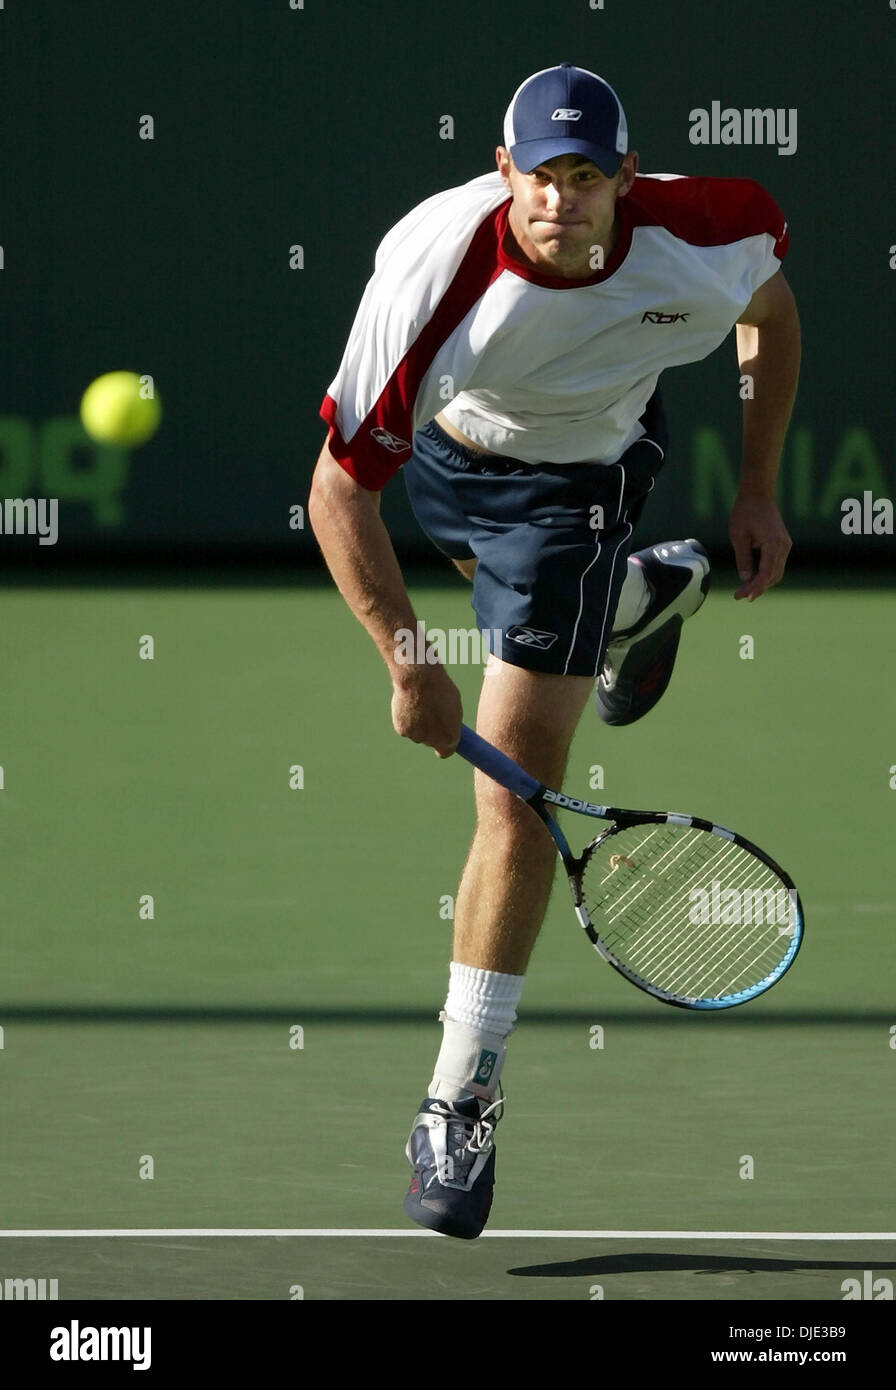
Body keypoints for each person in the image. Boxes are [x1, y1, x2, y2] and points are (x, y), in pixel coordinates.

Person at [308, 63, 800, 1239]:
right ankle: (645, 597)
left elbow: (768, 319)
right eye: (541, 174)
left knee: (510, 791)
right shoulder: (434, 274)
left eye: (587, 177)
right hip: (448, 453)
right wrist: (407, 663)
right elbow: (337, 495)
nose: (561, 198)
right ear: (503, 172)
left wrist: (761, 490)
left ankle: (459, 1093)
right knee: (515, 616)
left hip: (581, 480)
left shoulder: (710, 232)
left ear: (626, 180)